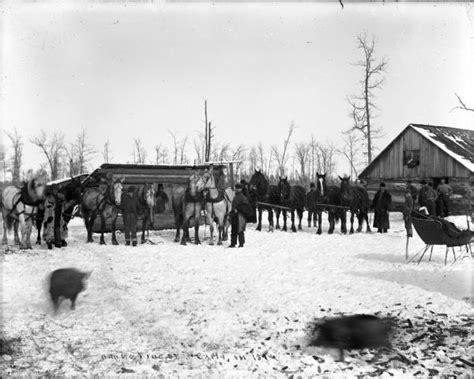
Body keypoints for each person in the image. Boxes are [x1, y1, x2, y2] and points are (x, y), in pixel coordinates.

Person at [229, 183, 252, 248]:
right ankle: (233, 243)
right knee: (233, 230)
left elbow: (246, 206)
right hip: (234, 215)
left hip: (240, 215)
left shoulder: (243, 197)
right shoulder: (235, 196)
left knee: (240, 230)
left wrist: (238, 209)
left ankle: (241, 243)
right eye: (236, 188)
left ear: (241, 189)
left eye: (238, 188)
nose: (237, 189)